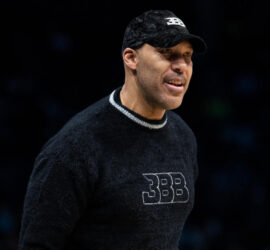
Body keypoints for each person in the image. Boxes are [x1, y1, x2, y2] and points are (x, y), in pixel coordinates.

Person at [18, 9, 206, 250]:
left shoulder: (183, 137)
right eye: (167, 53)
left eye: (187, 56)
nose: (181, 66)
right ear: (130, 58)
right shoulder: (74, 148)